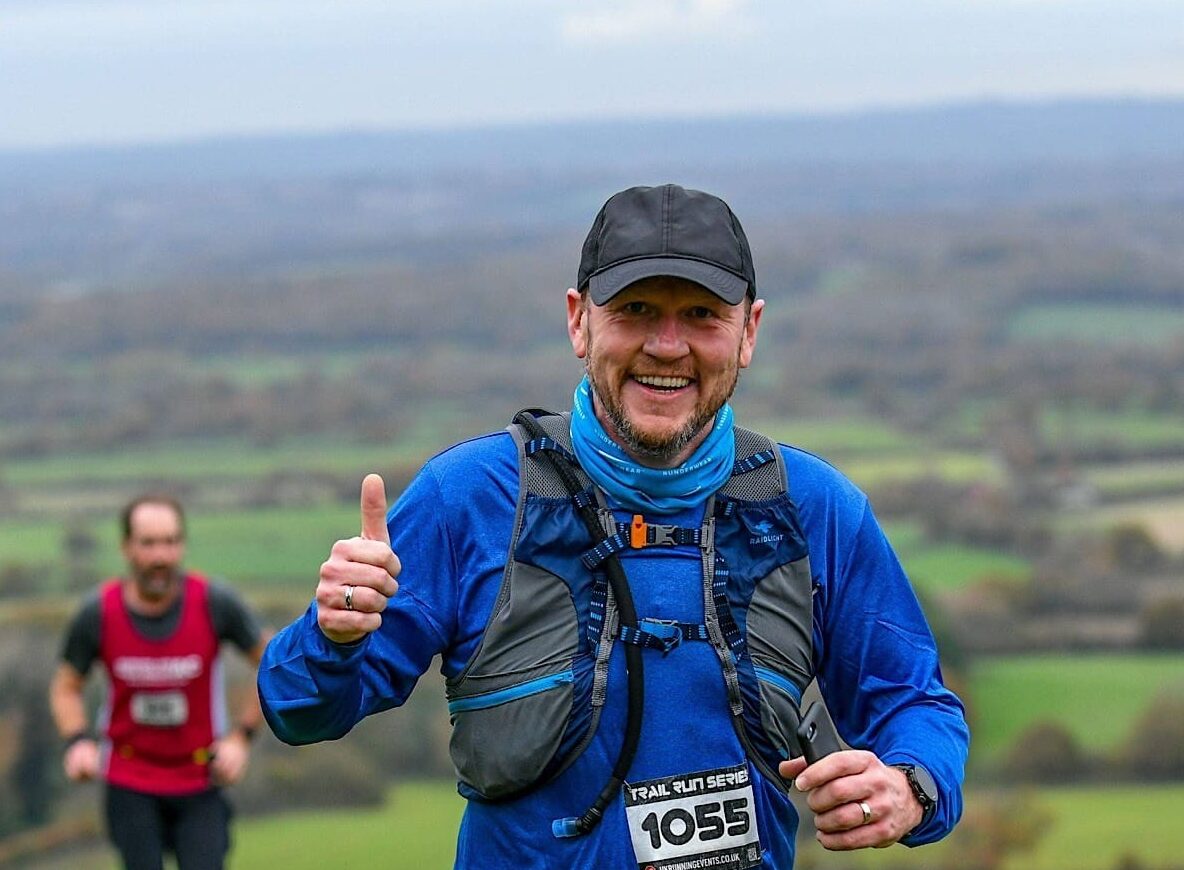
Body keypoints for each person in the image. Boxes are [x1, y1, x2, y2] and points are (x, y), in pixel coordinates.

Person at [258, 183, 970, 868]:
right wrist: (332, 636)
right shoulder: (469, 498)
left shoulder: (816, 509)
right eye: (634, 310)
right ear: (579, 320)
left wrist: (910, 788)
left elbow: (915, 701)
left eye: (700, 315)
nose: (666, 346)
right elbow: (298, 709)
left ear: (749, 330)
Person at [50, 494, 270, 870]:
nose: (160, 557)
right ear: (126, 548)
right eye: (148, 543)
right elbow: (66, 686)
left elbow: (272, 667)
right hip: (129, 778)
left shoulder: (214, 603)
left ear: (181, 545)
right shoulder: (99, 612)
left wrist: (241, 738)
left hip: (201, 777)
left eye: (170, 542)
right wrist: (78, 741)